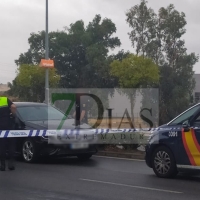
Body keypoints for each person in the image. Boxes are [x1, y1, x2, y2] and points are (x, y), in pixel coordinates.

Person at [0, 96, 16, 171]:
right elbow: (13, 106)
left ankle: (2, 166)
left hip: (0, 127)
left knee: (2, 146)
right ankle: (11, 164)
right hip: (9, 125)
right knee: (11, 145)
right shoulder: (4, 99)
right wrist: (13, 115)